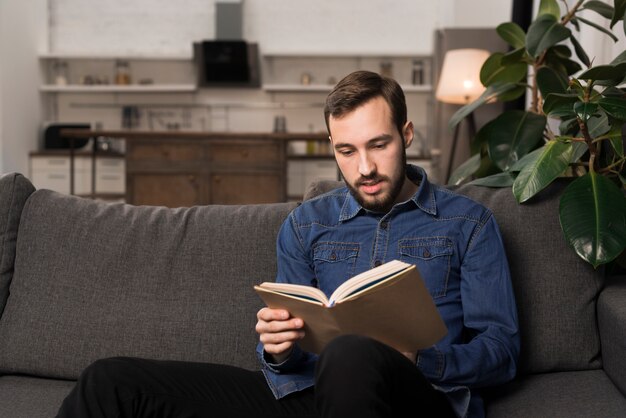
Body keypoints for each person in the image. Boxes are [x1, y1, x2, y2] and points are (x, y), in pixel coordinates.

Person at [56, 70, 519, 418]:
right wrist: (278, 349)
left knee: (351, 351)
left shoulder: (468, 222)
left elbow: (501, 352)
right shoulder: (306, 224)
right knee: (110, 381)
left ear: (407, 134)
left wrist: (422, 359)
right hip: (310, 399)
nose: (365, 169)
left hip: (420, 401)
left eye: (379, 145)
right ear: (332, 146)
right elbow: (290, 352)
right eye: (347, 151)